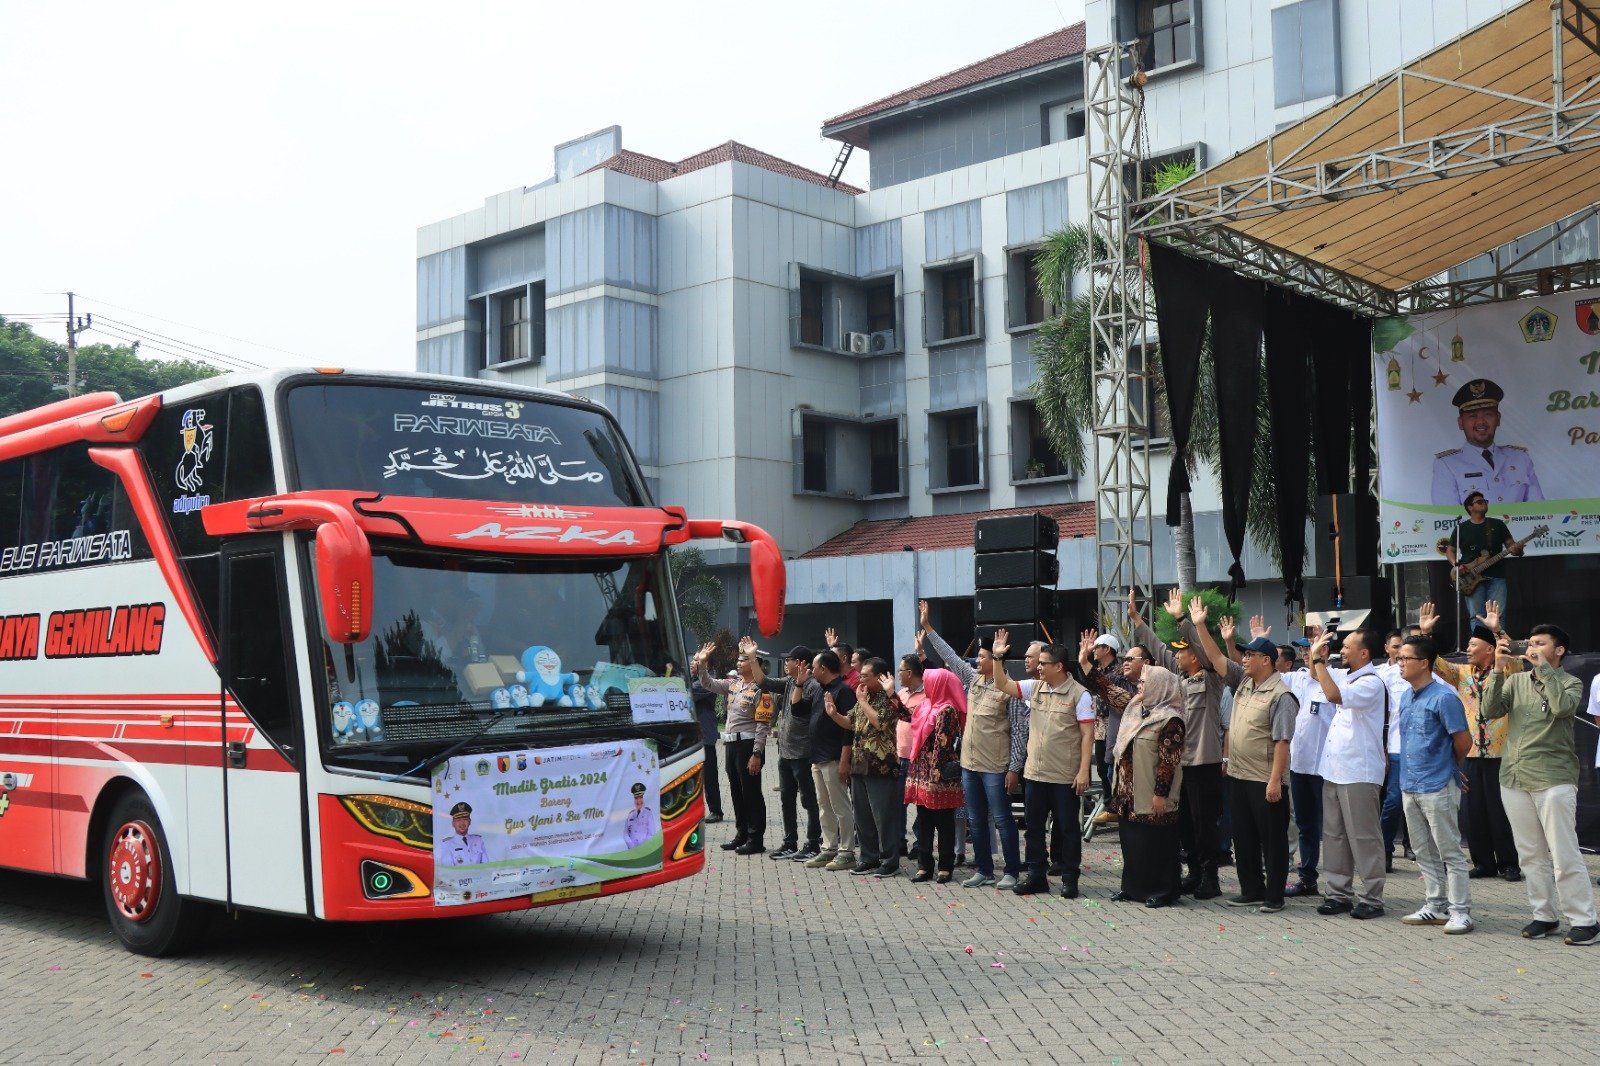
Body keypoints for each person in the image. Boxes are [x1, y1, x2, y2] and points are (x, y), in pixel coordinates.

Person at [1481, 623, 1598, 945]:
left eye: (1540, 643)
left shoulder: (1570, 681)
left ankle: (1585, 920)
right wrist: (1497, 669)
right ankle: (1544, 915)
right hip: (1514, 776)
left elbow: (1562, 708)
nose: (1532, 647)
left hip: (1553, 778)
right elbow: (1488, 710)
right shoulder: (1515, 680)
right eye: (1530, 642)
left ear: (1558, 650)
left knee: (1564, 853)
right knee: (1530, 853)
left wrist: (1545, 670)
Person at [1129, 589, 1243, 901]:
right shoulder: (1179, 678)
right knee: (1185, 824)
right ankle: (1193, 871)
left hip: (1203, 762)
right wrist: (1139, 621)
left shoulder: (1210, 678)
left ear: (1195, 655)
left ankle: (1210, 877)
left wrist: (1185, 620)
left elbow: (1207, 652)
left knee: (1205, 825)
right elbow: (1158, 648)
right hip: (1180, 763)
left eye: (1183, 652)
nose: (1176, 656)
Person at [921, 600, 1026, 891]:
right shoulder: (974, 680)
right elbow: (951, 657)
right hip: (969, 764)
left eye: (981, 657)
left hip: (996, 767)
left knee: (1003, 821)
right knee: (976, 821)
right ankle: (984, 870)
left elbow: (1019, 732)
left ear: (996, 659)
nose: (976, 662)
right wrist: (928, 627)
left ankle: (1012, 872)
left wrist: (1014, 768)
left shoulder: (1011, 690)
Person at [1418, 600, 1522, 881]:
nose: (1468, 649)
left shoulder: (1508, 671)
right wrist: (1425, 635)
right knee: (1474, 812)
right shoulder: (1461, 674)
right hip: (1471, 752)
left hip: (1502, 751)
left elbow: (1512, 655)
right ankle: (1483, 863)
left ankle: (1509, 863)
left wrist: (1498, 631)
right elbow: (1435, 664)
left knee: (1501, 810)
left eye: (1473, 645)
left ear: (1489, 650)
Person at [990, 630, 1095, 898]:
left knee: (1069, 829)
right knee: (1034, 829)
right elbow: (1003, 684)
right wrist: (997, 658)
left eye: (1043, 663)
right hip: (1035, 774)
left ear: (1058, 666)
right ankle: (1037, 876)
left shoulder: (1080, 695)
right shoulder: (1035, 687)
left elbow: (1087, 736)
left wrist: (1084, 771)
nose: (1038, 667)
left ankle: (1070, 878)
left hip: (1064, 776)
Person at [1393, 635, 1474, 934]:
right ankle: (1435, 905)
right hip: (1409, 783)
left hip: (1438, 784)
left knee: (1449, 851)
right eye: (1398, 658)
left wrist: (1449, 766)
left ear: (1423, 663)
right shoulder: (1405, 696)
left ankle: (1461, 911)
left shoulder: (1444, 697)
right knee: (1422, 850)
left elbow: (1463, 741)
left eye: (1405, 659)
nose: (1399, 664)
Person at [1308, 628, 1390, 919]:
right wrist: (1315, 650)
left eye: (1346, 647)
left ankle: (1372, 898)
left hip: (1359, 771)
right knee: (1334, 835)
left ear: (1364, 653)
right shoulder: (1347, 675)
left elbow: (1332, 694)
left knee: (1364, 837)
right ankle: (1338, 894)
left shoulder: (1371, 682)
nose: (1341, 651)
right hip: (1334, 768)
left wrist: (1319, 660)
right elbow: (1318, 676)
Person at [1222, 636, 1297, 914]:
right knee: (1243, 837)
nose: (1244, 659)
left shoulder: (1281, 695)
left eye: (1249, 655)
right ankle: (1251, 889)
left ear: (1265, 660)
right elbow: (1220, 661)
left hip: (1265, 778)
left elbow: (1282, 741)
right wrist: (1197, 625)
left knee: (1272, 840)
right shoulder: (1245, 683)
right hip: (1239, 775)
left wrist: (1275, 780)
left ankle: (1274, 895)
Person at [1108, 666, 1187, 908]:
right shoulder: (1138, 711)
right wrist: (1086, 665)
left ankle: (1163, 891)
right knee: (1133, 844)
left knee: (1157, 845)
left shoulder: (1170, 719)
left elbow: (1169, 762)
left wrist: (1160, 794)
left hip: (1152, 792)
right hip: (1128, 792)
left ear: (1159, 686)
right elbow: (1109, 692)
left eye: (1143, 682)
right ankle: (1132, 889)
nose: (1139, 686)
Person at [694, 635, 771, 856]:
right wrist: (702, 663)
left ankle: (756, 838)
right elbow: (707, 683)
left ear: (755, 663)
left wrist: (757, 753)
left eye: (744, 660)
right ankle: (742, 834)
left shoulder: (761, 689)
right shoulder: (734, 685)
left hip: (749, 746)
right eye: (738, 660)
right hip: (731, 745)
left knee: (752, 794)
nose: (739, 663)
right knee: (737, 792)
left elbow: (763, 725)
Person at [841, 657, 909, 877]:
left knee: (884, 816)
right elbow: (850, 722)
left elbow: (880, 722)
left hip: (881, 766)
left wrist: (862, 701)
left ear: (879, 677)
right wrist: (832, 713)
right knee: (862, 816)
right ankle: (868, 858)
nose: (860, 679)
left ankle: (889, 861)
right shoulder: (864, 696)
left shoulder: (887, 699)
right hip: (860, 764)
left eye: (864, 676)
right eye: (860, 675)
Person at [1430, 378, 1543, 505]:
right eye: (1472, 416)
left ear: (1498, 419)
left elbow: (1539, 510)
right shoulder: (1447, 465)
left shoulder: (1521, 458)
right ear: (1460, 423)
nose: (1480, 422)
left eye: (1488, 414)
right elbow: (1448, 518)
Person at [903, 666, 967, 883]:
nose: (926, 685)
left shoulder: (947, 710)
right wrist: (891, 695)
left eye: (930, 681)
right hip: (922, 773)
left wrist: (935, 777)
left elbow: (942, 744)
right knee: (924, 822)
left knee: (944, 823)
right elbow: (908, 717)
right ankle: (924, 866)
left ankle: (945, 867)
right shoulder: (925, 705)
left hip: (938, 778)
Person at [761, 646, 821, 862]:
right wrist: (750, 656)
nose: (786, 663)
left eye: (790, 660)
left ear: (802, 663)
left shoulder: (813, 686)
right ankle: (789, 842)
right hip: (785, 754)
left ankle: (814, 842)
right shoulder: (788, 683)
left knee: (809, 800)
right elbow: (764, 682)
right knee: (787, 799)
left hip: (803, 754)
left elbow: (804, 714)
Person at [806, 650, 858, 871]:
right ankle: (829, 848)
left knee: (840, 806)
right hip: (817, 757)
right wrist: (799, 684)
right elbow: (799, 710)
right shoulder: (820, 690)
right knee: (823, 805)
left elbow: (850, 730)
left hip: (835, 757)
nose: (811, 670)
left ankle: (847, 852)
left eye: (814, 667)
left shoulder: (844, 691)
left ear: (824, 669)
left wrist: (845, 760)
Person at [1079, 630, 1137, 826]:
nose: (1094, 651)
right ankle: (1110, 803)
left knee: (1110, 764)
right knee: (1103, 767)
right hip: (1100, 721)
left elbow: (1107, 688)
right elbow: (1088, 682)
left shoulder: (1120, 670)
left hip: (1114, 721)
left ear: (1107, 649)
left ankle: (1113, 805)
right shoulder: (1099, 670)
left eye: (1097, 648)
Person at [1441, 490, 1523, 625]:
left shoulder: (1497, 524)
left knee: (1498, 615)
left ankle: (1497, 645)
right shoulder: (1461, 528)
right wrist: (1456, 564)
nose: (1484, 503)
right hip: (1470, 577)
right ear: (1470, 507)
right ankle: (1479, 646)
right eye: (1479, 502)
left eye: (1485, 501)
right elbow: (1450, 550)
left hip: (1496, 575)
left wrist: (1517, 549)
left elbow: (1511, 546)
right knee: (1477, 616)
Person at [1375, 629, 1414, 872]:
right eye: (1398, 649)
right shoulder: (1385, 675)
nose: (1402, 655)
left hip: (1424, 751)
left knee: (1420, 804)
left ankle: (1424, 852)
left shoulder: (1438, 680)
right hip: (1396, 746)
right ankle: (1384, 850)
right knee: (1393, 802)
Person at [690, 676, 724, 824]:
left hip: (705, 736)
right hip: (691, 737)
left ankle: (716, 811)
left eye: (696, 660)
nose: (692, 662)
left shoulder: (707, 682)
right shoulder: (689, 679)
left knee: (709, 776)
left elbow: (690, 693)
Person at [440, 801, 487, 866]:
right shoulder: (447, 845)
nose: (462, 823)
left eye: (465, 819)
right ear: (453, 824)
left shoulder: (479, 840)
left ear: (470, 822)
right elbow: (449, 872)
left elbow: (486, 866)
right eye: (458, 820)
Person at [624, 782, 658, 848]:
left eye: (641, 797)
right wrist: (631, 846)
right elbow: (625, 834)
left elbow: (651, 833)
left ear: (644, 798)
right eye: (636, 798)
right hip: (632, 850)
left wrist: (643, 848)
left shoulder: (648, 813)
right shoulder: (630, 815)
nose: (638, 800)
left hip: (645, 849)